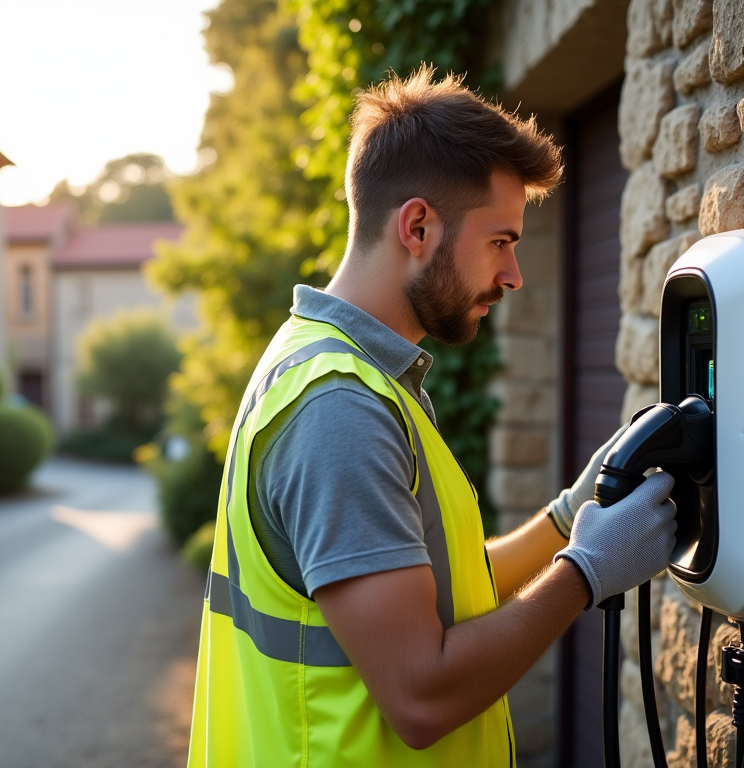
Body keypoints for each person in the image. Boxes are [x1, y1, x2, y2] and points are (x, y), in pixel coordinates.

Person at [187, 66, 677, 768]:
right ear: (417, 226)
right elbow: (421, 695)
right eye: (501, 241)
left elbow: (435, 590)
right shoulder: (340, 407)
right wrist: (586, 573)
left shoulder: (346, 370)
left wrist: (570, 516)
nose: (513, 276)